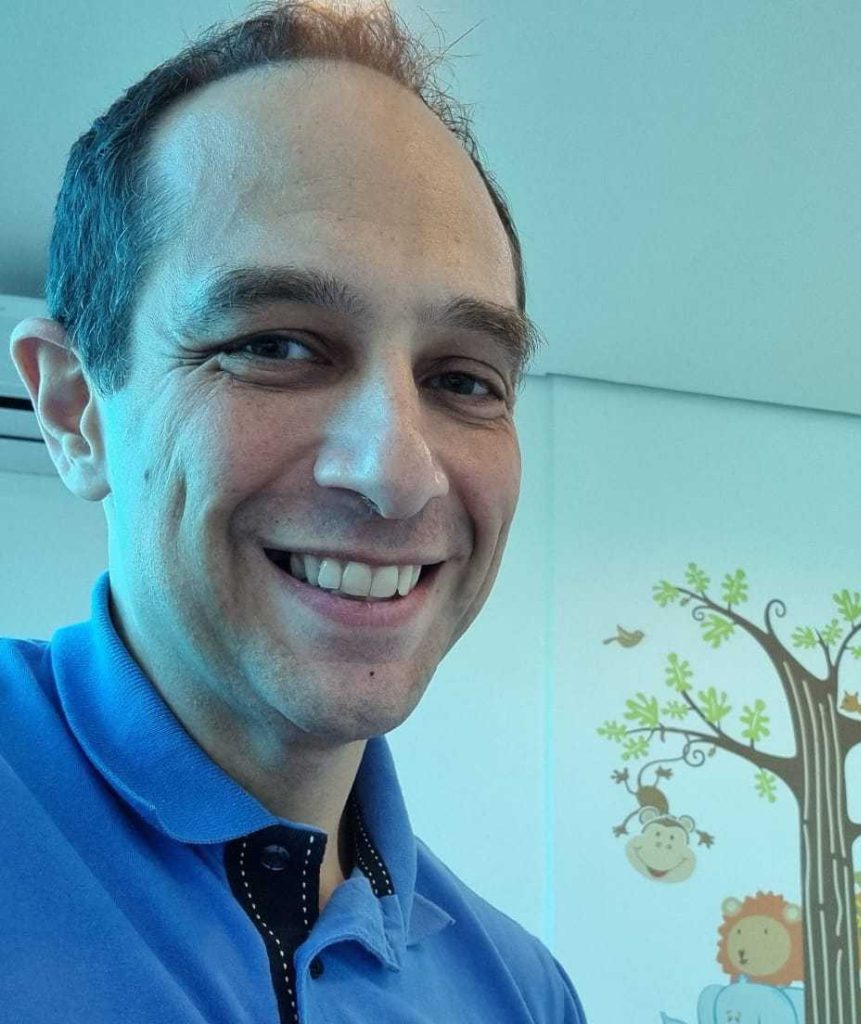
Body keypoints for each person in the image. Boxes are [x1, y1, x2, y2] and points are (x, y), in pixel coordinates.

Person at [2, 2, 585, 1021]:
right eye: (274, 345)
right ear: (77, 411)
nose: (398, 474)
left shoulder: (523, 994)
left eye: (463, 378)